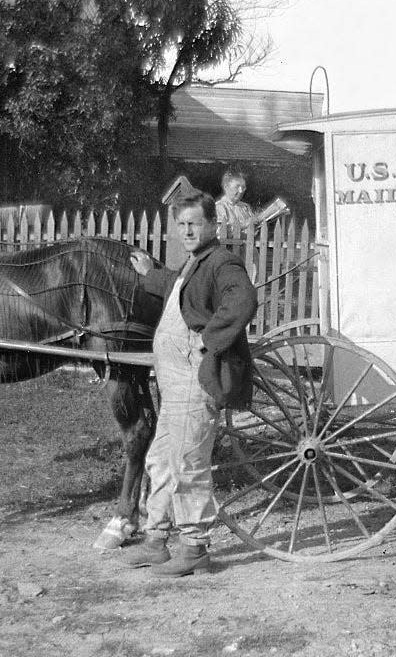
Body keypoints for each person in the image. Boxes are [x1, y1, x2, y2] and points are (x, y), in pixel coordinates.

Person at [126, 191, 258, 577]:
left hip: (193, 379)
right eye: (181, 224)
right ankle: (157, 540)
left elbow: (243, 299)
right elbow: (183, 293)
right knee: (160, 459)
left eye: (194, 223)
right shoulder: (195, 263)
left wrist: (207, 339)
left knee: (187, 463)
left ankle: (195, 548)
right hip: (173, 383)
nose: (186, 230)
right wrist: (151, 272)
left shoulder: (222, 261)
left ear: (213, 225)